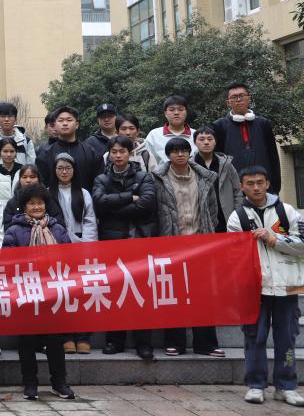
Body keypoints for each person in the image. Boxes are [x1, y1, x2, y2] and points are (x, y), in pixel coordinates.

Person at [227, 166, 304, 406]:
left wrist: (274, 239)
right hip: (254, 288)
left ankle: (286, 386)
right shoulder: (237, 218)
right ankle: (256, 384)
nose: (256, 188)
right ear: (241, 187)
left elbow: (302, 243)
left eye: (260, 182)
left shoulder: (287, 211)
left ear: (268, 184)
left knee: (287, 338)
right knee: (254, 337)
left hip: (287, 285)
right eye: (250, 183)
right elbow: (232, 255)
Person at [2, 184, 77, 401]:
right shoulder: (14, 230)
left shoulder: (57, 229)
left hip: (53, 292)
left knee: (55, 340)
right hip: (26, 292)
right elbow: (7, 261)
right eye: (32, 203)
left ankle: (59, 382)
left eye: (40, 203)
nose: (37, 207)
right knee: (26, 341)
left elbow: (70, 257)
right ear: (24, 206)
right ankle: (30, 383)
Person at [152, 137, 224, 358]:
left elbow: (212, 209)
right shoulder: (158, 178)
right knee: (173, 294)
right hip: (171, 243)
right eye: (175, 151)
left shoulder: (204, 177)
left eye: (183, 150)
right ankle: (175, 342)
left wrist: (207, 232)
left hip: (199, 243)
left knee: (203, 294)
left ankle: (206, 344)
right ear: (168, 155)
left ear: (189, 152)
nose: (180, 154)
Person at [93, 135, 157, 360]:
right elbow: (99, 203)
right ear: (109, 154)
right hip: (113, 243)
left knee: (141, 293)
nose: (118, 156)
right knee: (114, 291)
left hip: (139, 241)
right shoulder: (101, 178)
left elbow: (146, 204)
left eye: (122, 151)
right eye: (114, 152)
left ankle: (143, 343)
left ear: (130, 153)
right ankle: (115, 340)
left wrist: (115, 207)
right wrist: (130, 196)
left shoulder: (143, 176)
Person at [47, 153, 97, 355]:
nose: (64, 172)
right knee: (63, 293)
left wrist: (86, 246)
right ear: (54, 171)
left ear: (74, 170)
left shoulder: (83, 193)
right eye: (60, 168)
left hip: (81, 247)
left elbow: (90, 221)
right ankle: (66, 336)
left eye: (68, 168)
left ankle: (83, 337)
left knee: (82, 293)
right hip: (57, 247)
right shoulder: (48, 193)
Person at [212, 83, 282, 194]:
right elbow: (217, 159)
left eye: (242, 95)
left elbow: (273, 157)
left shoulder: (263, 124)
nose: (238, 99)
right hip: (233, 189)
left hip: (263, 187)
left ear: (249, 98)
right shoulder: (219, 126)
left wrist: (276, 187)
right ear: (228, 102)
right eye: (234, 97)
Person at [35, 106, 101, 193]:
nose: (65, 123)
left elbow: (98, 184)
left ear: (77, 125)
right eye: (61, 120)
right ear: (55, 125)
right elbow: (42, 185)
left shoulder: (91, 152)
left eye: (69, 120)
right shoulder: (45, 154)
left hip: (85, 200)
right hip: (54, 200)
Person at [194, 126, 243, 231]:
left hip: (226, 217)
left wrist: (237, 213)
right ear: (195, 143)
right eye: (201, 139)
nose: (206, 142)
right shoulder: (190, 165)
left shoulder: (226, 164)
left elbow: (237, 191)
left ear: (215, 142)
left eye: (210, 139)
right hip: (200, 219)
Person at [0, 102, 35, 168]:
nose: (6, 119)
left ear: (15, 119)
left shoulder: (26, 142)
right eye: (3, 116)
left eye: (10, 116)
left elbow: (31, 169)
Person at [144, 95, 195, 165]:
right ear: (165, 113)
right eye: (171, 110)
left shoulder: (196, 135)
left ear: (186, 112)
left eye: (180, 109)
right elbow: (147, 161)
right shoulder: (154, 135)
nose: (176, 113)